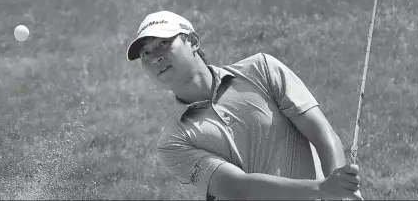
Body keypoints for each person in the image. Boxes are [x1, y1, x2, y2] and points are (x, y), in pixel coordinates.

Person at [126, 10, 363, 200]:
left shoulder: (262, 70)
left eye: (163, 43)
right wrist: (322, 189)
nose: (154, 57)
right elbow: (236, 188)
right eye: (145, 53)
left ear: (193, 41)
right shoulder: (173, 143)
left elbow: (322, 134)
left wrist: (338, 191)